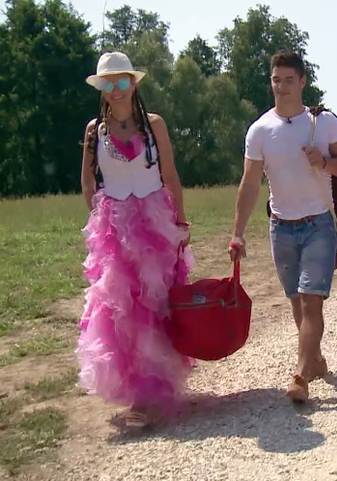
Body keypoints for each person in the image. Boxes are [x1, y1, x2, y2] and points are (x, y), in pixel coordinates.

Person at [229, 51, 337, 403]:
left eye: (289, 80)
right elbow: (249, 184)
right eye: (276, 80)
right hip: (281, 227)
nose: (282, 87)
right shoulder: (259, 130)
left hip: (319, 224)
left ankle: (300, 376)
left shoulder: (323, 122)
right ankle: (315, 359)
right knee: (297, 303)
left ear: (302, 82)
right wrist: (237, 232)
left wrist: (325, 162)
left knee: (311, 302)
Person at [77, 51, 195, 428]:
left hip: (154, 221)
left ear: (133, 83)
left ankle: (152, 390)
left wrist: (179, 220)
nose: (116, 90)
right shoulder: (95, 130)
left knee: (156, 302)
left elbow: (170, 175)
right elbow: (87, 179)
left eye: (122, 81)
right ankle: (137, 395)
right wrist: (98, 214)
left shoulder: (154, 124)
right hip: (115, 227)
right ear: (101, 88)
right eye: (108, 83)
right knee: (121, 308)